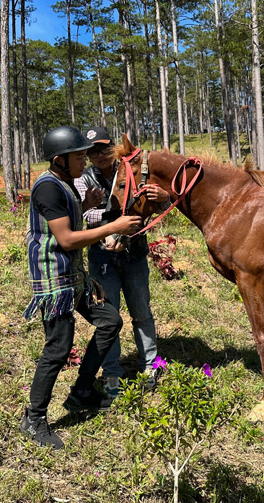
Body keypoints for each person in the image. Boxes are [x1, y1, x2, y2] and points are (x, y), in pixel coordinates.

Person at [19, 125, 142, 449]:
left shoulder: (66, 186)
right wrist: (113, 226)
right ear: (60, 159)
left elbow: (72, 223)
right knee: (57, 350)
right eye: (77, 156)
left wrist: (85, 201)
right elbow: (67, 238)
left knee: (110, 321)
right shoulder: (48, 188)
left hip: (74, 277)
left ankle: (83, 389)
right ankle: (33, 418)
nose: (83, 162)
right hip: (54, 282)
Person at [75, 127, 168, 398]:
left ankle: (150, 365)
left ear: (114, 147)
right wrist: (114, 221)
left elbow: (152, 203)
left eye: (104, 148)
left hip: (135, 252)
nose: (98, 155)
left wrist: (164, 199)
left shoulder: (132, 169)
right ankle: (112, 371)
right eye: (91, 151)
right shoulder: (84, 178)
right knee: (109, 317)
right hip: (102, 255)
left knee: (141, 311)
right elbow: (87, 215)